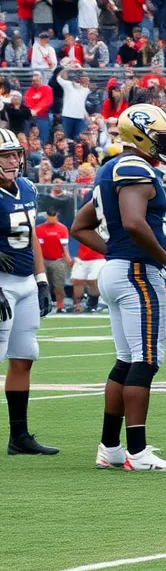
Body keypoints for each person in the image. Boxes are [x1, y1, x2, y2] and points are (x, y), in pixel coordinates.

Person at [71, 105, 166, 472]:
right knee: (146, 360)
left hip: (119, 269)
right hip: (138, 272)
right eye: (162, 137)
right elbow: (135, 222)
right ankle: (136, 452)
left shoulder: (110, 169)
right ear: (142, 135)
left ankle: (110, 448)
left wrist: (117, 253)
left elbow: (80, 225)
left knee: (126, 359)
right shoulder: (134, 168)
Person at [0, 129, 57, 456]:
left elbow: (32, 236)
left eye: (15, 154)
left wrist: (41, 280)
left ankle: (18, 437)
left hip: (23, 282)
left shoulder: (25, 187)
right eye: (5, 155)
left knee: (24, 357)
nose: (13, 160)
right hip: (2, 282)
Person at [34, 210, 69, 313]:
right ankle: (42, 305)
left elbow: (64, 247)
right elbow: (36, 247)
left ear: (56, 216)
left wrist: (68, 260)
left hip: (58, 260)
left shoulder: (62, 229)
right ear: (46, 216)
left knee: (59, 285)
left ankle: (60, 306)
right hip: (42, 260)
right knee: (43, 284)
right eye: (50, 216)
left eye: (53, 216)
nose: (51, 219)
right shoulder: (39, 229)